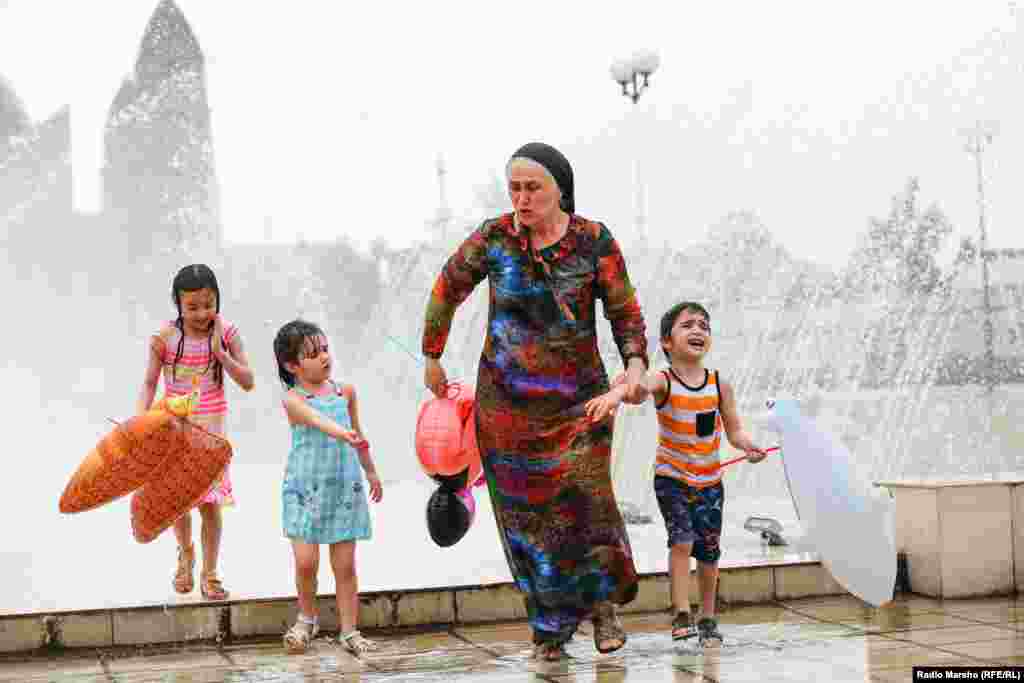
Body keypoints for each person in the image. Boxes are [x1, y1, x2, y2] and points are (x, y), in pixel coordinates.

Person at [422, 142, 650, 661]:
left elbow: (625, 314)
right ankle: (550, 628)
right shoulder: (494, 238)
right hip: (506, 408)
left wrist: (634, 367)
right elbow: (447, 287)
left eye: (533, 189)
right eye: (515, 189)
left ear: (559, 190)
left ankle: (603, 608)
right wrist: (432, 354)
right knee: (526, 521)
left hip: (581, 403)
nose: (522, 200)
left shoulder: (594, 242)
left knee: (588, 503)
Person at [585, 301, 767, 647]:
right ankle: (681, 612)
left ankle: (708, 617)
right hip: (672, 478)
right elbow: (635, 388)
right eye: (688, 325)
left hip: (710, 481)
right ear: (667, 342)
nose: (698, 330)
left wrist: (748, 447)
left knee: (709, 552)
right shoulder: (663, 379)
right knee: (682, 540)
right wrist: (615, 394)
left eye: (704, 325)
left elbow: (734, 431)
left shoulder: (718, 384)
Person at [137, 264, 254, 600]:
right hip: (175, 432)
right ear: (178, 303)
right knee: (177, 503)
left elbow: (248, 381)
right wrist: (140, 421)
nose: (202, 313)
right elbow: (148, 383)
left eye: (209, 304)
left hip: (212, 437)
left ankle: (211, 571)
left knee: (210, 505)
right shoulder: (165, 338)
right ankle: (186, 553)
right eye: (192, 307)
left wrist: (221, 355)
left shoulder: (228, 332)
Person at [273, 320, 383, 655]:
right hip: (305, 491)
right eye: (313, 353)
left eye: (325, 349)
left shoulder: (344, 392)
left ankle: (349, 631)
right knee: (306, 563)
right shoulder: (293, 398)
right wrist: (341, 433)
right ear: (293, 366)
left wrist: (372, 472)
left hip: (342, 491)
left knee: (345, 566)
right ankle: (307, 619)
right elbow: (314, 419)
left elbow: (359, 435)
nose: (324, 357)